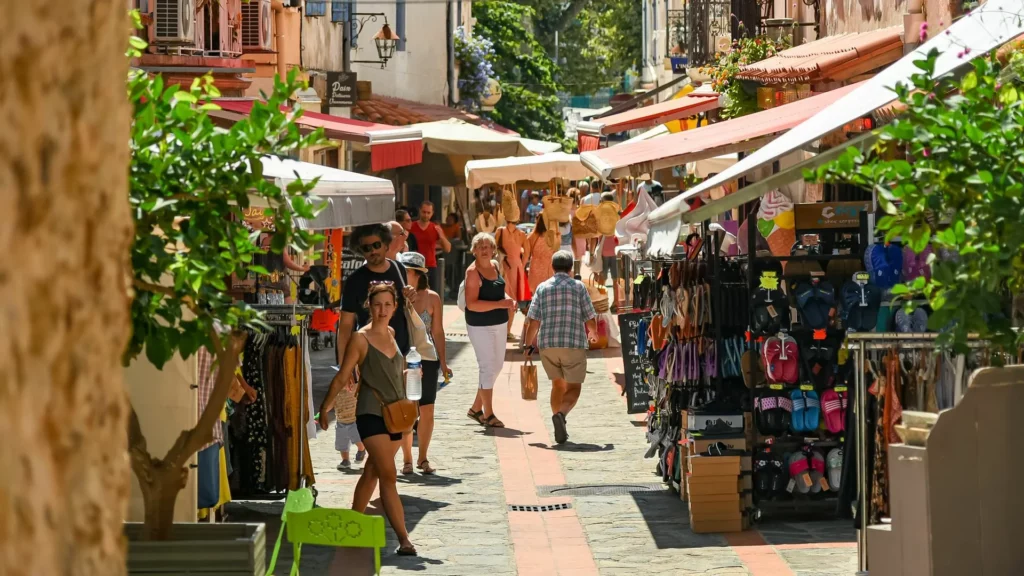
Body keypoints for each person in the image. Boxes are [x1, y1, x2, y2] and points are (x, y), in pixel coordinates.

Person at [319, 283, 416, 556]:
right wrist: (325, 409)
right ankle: (404, 539)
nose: (382, 310)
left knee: (372, 471)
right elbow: (342, 376)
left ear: (395, 306)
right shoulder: (360, 339)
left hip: (396, 416)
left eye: (388, 304)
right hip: (371, 413)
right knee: (388, 473)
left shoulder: (394, 333)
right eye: (377, 305)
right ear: (369, 306)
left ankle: (352, 525)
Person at [524, 251, 599, 444]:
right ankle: (561, 415)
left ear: (552, 267)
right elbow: (590, 317)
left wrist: (527, 344)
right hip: (573, 343)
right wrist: (593, 333)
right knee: (574, 386)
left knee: (557, 384)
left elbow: (533, 320)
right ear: (570, 268)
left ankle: (559, 421)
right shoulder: (578, 287)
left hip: (548, 344)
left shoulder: (542, 287)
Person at [398, 252, 447, 475]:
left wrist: (444, 363)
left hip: (427, 359)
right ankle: (407, 459)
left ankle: (423, 457)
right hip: (402, 359)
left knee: (427, 409)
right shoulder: (397, 296)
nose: (404, 275)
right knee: (408, 410)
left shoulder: (433, 298)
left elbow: (438, 331)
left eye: (407, 271)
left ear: (418, 274)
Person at [337, 224, 413, 367]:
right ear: (361, 251)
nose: (372, 251)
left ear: (386, 245)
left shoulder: (399, 269)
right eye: (366, 248)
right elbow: (346, 325)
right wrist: (344, 365)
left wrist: (411, 296)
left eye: (376, 245)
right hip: (369, 356)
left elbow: (405, 307)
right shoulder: (354, 280)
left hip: (400, 354)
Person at [464, 233, 515, 428]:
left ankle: (476, 408)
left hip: (499, 323)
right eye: (480, 246)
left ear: (493, 249)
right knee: (487, 367)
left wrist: (509, 301)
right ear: (474, 250)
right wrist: (501, 304)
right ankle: (489, 414)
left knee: (497, 366)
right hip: (480, 325)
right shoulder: (472, 273)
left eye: (488, 246)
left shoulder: (494, 265)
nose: (484, 250)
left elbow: (498, 291)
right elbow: (472, 304)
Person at [409, 201, 452, 293]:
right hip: (414, 266)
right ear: (420, 211)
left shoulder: (435, 228)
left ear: (432, 213)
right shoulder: (411, 227)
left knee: (432, 294)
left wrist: (441, 236)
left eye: (428, 213)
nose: (426, 215)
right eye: (424, 212)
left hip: (431, 266)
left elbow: (448, 249)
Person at [494, 220, 527, 340]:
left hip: (501, 266)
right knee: (512, 299)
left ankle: (501, 329)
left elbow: (494, 249)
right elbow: (527, 253)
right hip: (515, 268)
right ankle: (507, 330)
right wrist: (521, 266)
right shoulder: (522, 234)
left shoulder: (500, 231)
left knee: (499, 297)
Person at [333, 379, 365, 470]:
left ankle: (361, 449)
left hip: (354, 419)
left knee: (358, 439)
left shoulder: (355, 388)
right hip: (341, 420)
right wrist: (323, 411)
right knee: (342, 444)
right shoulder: (336, 392)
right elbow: (332, 402)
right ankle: (345, 460)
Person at [525, 213, 555, 293]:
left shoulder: (531, 236)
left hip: (535, 270)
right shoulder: (552, 236)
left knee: (536, 295)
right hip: (549, 270)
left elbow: (526, 255)